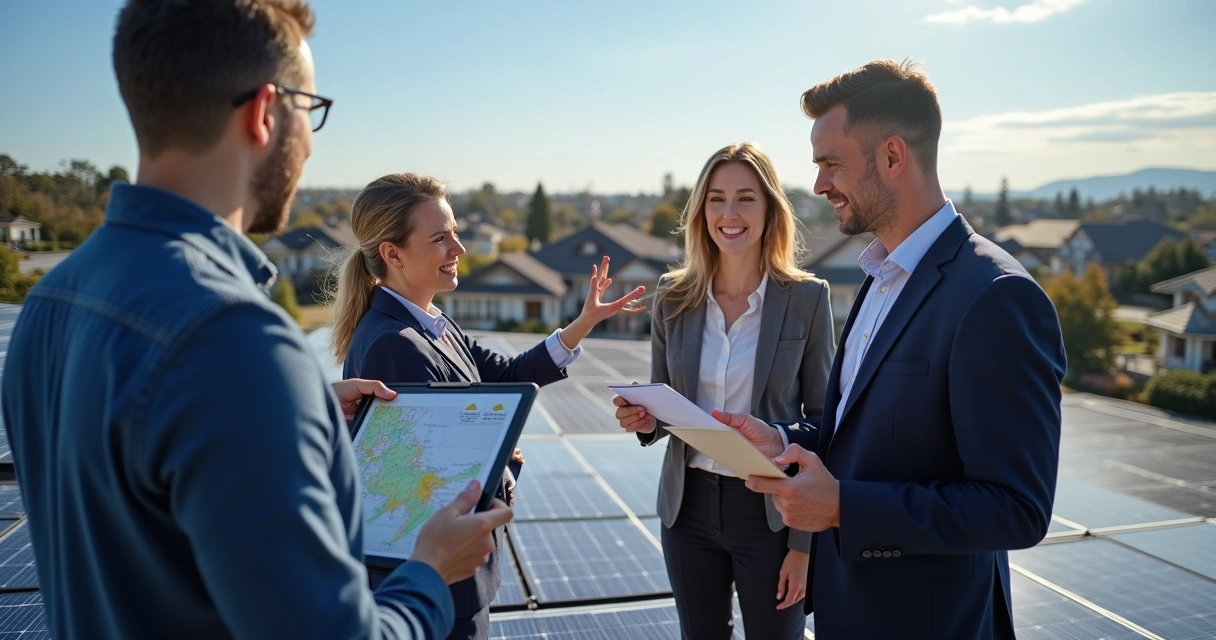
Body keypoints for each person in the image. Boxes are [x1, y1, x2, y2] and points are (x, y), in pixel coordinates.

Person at [0, 2, 511, 638]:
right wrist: (431, 573)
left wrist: (302, 412)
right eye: (311, 110)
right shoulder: (232, 339)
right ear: (266, 112)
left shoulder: (51, 303)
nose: (308, 141)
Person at [719, 59, 1066, 639]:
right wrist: (781, 438)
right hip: (848, 612)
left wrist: (842, 509)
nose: (819, 184)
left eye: (831, 164)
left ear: (892, 156)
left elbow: (1016, 508)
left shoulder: (996, 299)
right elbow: (863, 434)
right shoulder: (880, 279)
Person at [330, 172, 647, 640]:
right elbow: (427, 491)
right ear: (392, 254)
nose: (458, 249)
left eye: (455, 232)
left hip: (450, 589)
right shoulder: (393, 346)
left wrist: (582, 324)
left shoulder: (429, 322)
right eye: (440, 238)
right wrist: (505, 472)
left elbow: (503, 375)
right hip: (439, 595)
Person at [611, 143, 835, 640]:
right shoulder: (672, 295)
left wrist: (804, 546)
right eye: (716, 199)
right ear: (700, 209)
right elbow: (662, 402)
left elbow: (825, 422)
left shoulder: (806, 299)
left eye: (745, 198)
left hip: (772, 517)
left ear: (770, 209)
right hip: (686, 511)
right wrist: (643, 419)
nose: (729, 214)